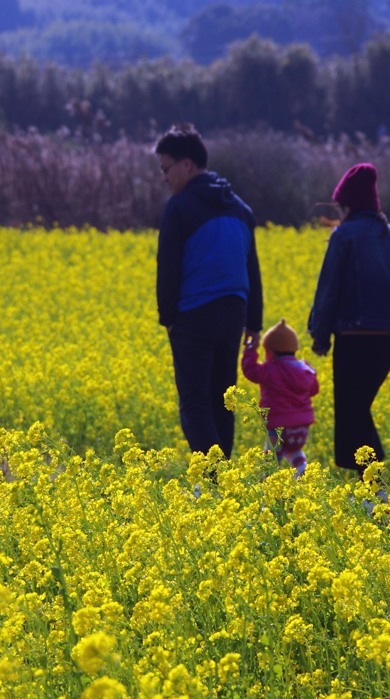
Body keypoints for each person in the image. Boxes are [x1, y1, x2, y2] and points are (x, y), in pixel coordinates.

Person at [155, 124, 263, 458]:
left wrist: (168, 318)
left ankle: (214, 478)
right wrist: (254, 324)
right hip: (233, 314)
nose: (164, 178)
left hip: (194, 314)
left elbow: (168, 266)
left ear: (187, 164)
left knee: (194, 402)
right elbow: (252, 270)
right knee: (223, 398)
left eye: (166, 168)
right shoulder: (241, 209)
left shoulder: (179, 207)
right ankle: (223, 477)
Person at [307, 162, 390, 473]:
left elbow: (329, 288)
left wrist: (320, 335)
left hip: (354, 337)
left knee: (352, 411)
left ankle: (375, 488)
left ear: (348, 205)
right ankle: (371, 490)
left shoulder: (345, 236)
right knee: (358, 410)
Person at [241, 319, 320, 476]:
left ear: (269, 351)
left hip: (278, 426)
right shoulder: (304, 369)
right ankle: (302, 468)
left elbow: (250, 371)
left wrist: (250, 350)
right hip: (302, 428)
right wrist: (312, 371)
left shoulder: (270, 370)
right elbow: (313, 389)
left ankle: (268, 491)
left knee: (271, 459)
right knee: (293, 450)